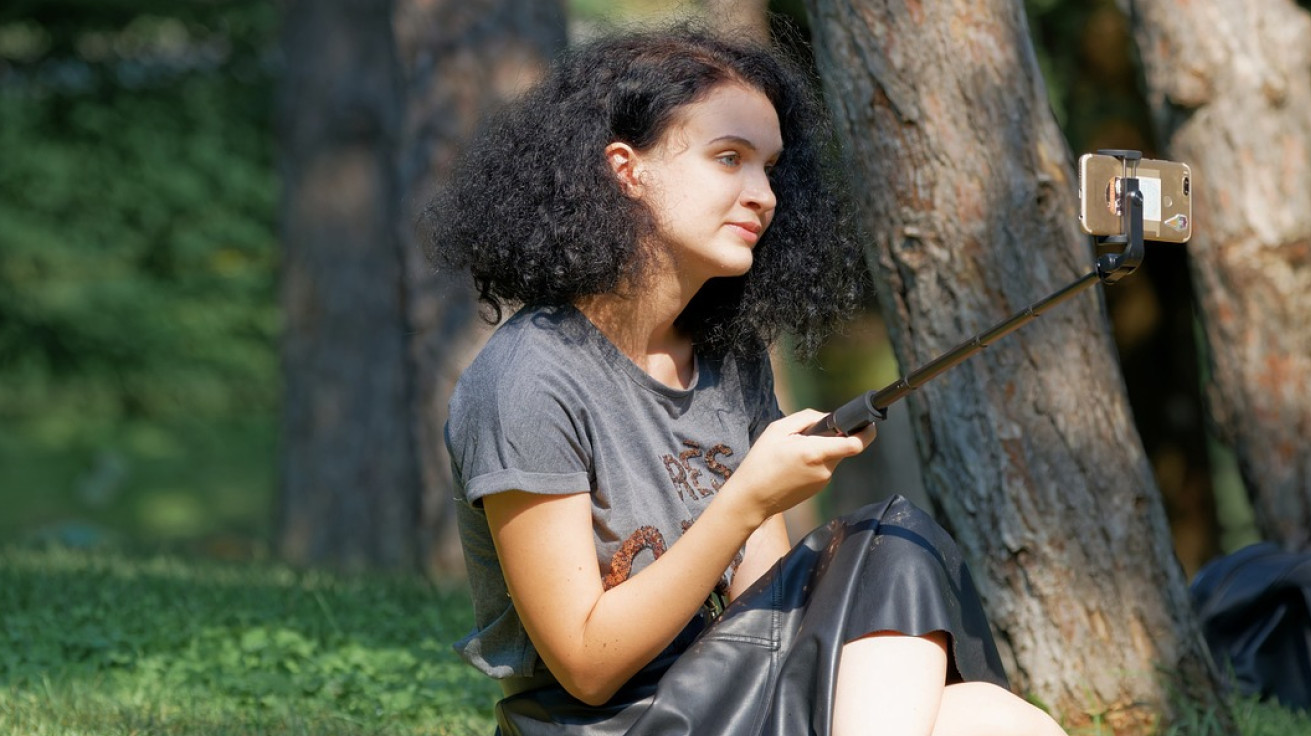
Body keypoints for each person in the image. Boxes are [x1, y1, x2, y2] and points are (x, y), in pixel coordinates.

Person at [425, 23, 1067, 736]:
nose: (762, 193)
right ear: (625, 169)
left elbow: (758, 615)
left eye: (768, 167)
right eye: (728, 158)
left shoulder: (729, 359)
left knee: (1005, 723)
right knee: (888, 537)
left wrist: (765, 508)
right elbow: (585, 663)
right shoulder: (527, 377)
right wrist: (746, 498)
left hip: (726, 695)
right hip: (612, 724)